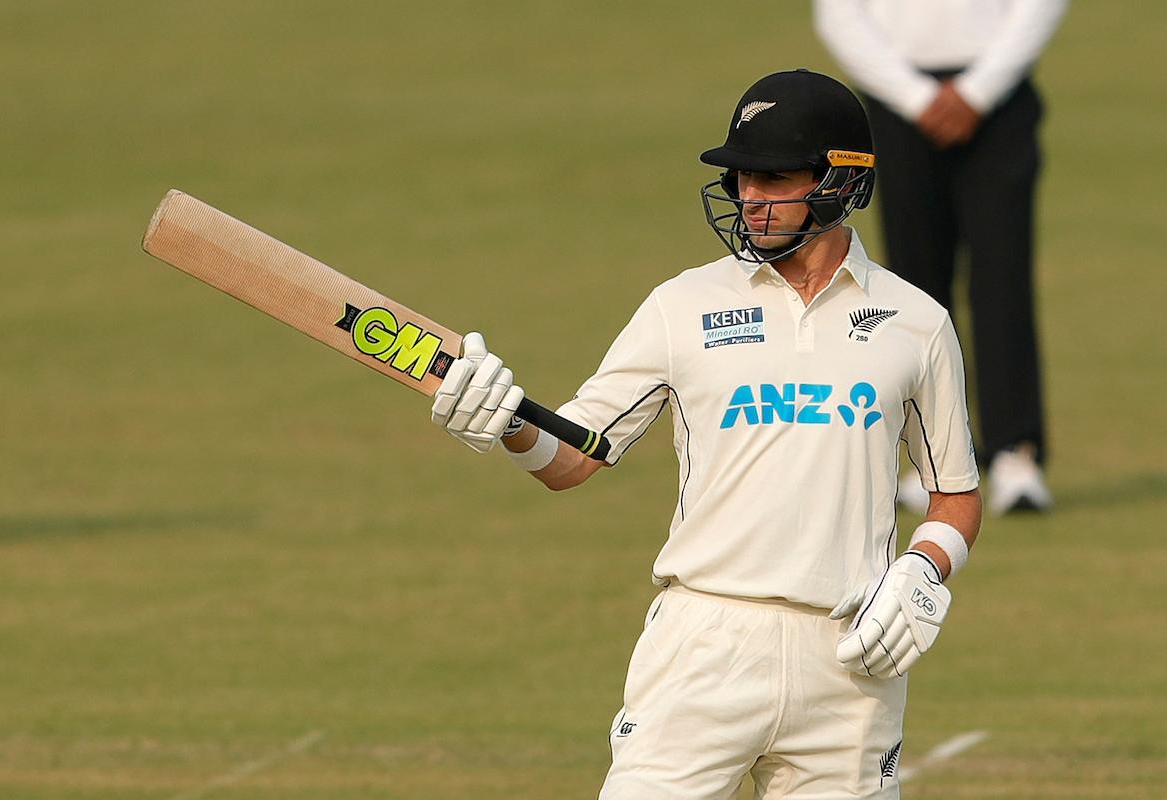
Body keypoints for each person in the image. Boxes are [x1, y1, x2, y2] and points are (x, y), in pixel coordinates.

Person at [431, 69, 982, 799]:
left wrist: (922, 573)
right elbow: (574, 456)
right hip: (704, 646)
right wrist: (507, 425)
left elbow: (954, 494)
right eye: (741, 179)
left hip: (851, 663)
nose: (749, 199)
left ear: (841, 180)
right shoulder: (681, 306)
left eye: (773, 178)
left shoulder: (916, 323)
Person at [814, 0, 1068, 515]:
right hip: (897, 101)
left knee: (1003, 279)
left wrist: (977, 92)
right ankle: (922, 459)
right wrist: (916, 98)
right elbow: (838, 15)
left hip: (997, 98)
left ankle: (1015, 454)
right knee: (911, 288)